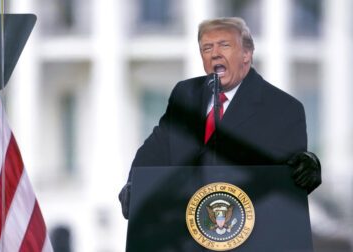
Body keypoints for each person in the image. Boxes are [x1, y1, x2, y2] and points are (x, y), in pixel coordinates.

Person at [119, 17, 321, 219]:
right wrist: (134, 186)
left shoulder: (283, 107)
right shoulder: (185, 94)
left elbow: (292, 174)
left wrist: (308, 165)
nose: (215, 54)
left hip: (246, 232)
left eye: (225, 45)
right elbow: (155, 150)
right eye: (207, 48)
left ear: (246, 54)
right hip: (183, 232)